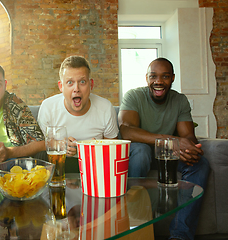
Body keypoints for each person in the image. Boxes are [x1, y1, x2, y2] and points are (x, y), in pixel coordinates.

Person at [118, 57, 210, 240]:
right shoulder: (133, 96)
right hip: (142, 152)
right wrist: (172, 141)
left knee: (200, 164)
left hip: (168, 155)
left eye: (165, 76)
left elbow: (188, 135)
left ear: (172, 78)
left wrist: (189, 148)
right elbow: (127, 131)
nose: (158, 81)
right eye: (153, 76)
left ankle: (180, 235)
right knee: (141, 152)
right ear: (147, 78)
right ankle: (132, 229)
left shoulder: (180, 100)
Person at [37, 55, 119, 173]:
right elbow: (40, 149)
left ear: (91, 85)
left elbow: (114, 153)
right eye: (70, 82)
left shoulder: (105, 108)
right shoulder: (48, 107)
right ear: (61, 86)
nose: (76, 89)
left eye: (82, 82)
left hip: (95, 166)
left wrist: (97, 150)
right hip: (59, 167)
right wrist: (60, 145)